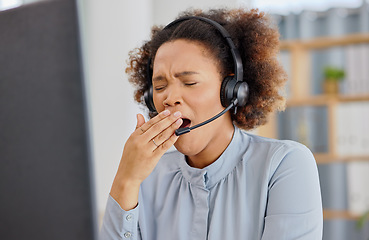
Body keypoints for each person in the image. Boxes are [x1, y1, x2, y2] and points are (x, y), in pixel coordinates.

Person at [100, 8, 323, 240]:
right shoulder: (145, 177)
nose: (169, 98)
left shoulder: (283, 164)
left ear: (231, 90)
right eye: (159, 87)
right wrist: (127, 179)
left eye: (189, 82)